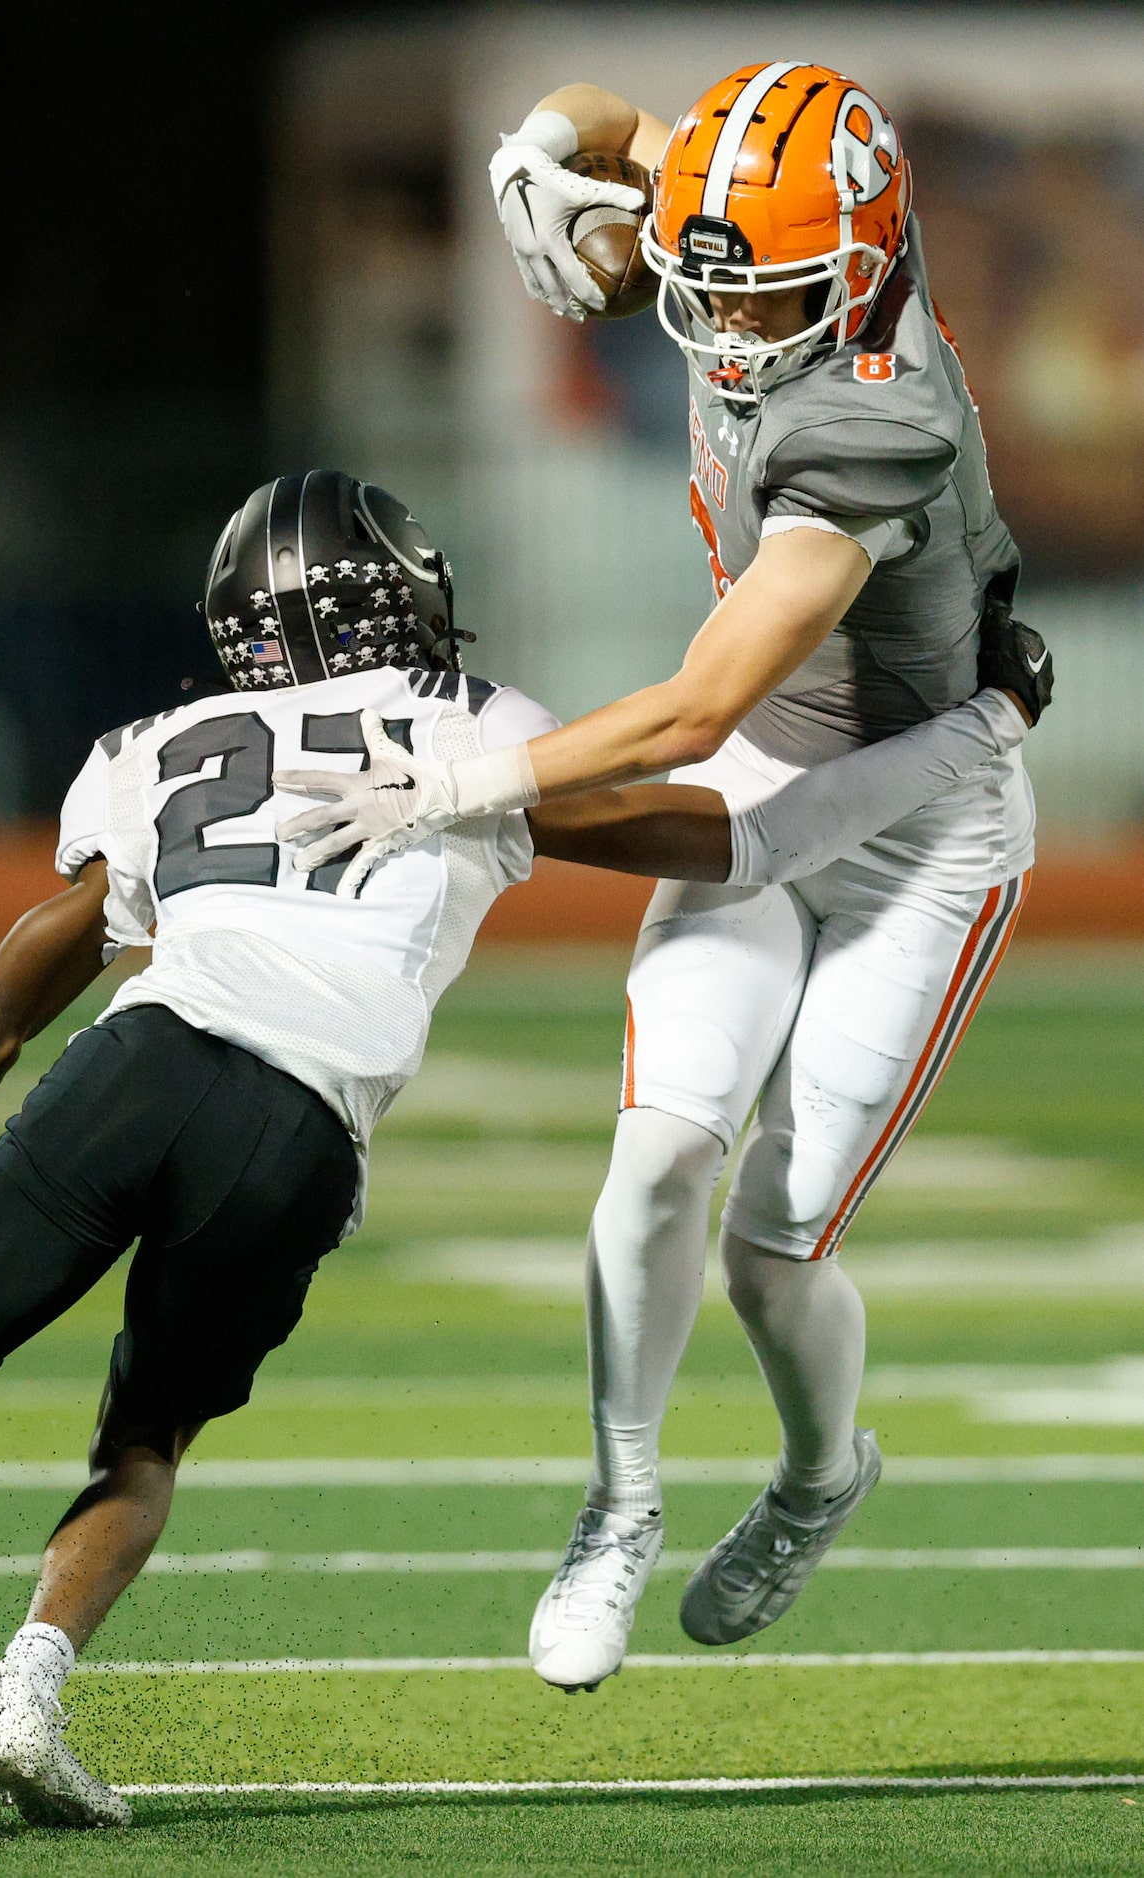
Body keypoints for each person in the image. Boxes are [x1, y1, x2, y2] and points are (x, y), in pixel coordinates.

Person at [0, 468, 1037, 1843]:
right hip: (301, 1128)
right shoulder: (477, 727)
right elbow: (755, 842)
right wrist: (984, 722)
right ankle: (28, 1681)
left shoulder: (152, 742)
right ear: (397, 594)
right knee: (147, 1440)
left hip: (138, 1062)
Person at [280, 67, 1054, 1695]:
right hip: (767, 778)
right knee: (651, 1163)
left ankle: (817, 1475)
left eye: (759, 295)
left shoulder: (873, 419)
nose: (718, 327)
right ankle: (617, 1505)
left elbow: (695, 701)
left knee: (772, 1245)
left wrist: (471, 780)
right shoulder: (742, 207)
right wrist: (529, 160)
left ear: (860, 266)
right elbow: (605, 119)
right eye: (704, 285)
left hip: (915, 828)